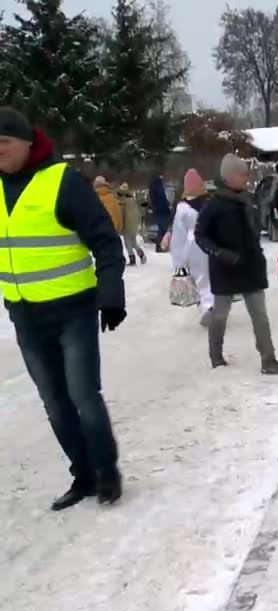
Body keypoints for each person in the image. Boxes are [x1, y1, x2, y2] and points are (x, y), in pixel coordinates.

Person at [0, 107, 126, 509]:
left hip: (73, 310)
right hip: (25, 315)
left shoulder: (61, 181)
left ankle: (106, 473)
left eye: (2, 143)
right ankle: (83, 474)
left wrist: (111, 292)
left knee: (83, 395)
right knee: (54, 403)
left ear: (26, 141)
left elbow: (106, 241)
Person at [196, 153, 278, 375]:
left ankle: (269, 359)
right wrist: (218, 252)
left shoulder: (249, 200)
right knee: (220, 315)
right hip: (225, 268)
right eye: (241, 174)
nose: (246, 177)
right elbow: (201, 235)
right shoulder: (213, 205)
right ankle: (216, 356)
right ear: (229, 177)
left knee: (260, 317)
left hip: (251, 267)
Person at [170, 169, 214, 323]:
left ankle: (208, 307)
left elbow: (179, 235)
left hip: (193, 246)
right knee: (209, 277)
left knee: (198, 279)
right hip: (210, 244)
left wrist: (179, 259)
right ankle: (211, 304)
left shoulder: (183, 208)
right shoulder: (209, 202)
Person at [118, 182, 146, 266]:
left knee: (127, 243)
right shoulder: (133, 199)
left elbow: (122, 214)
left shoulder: (123, 201)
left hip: (127, 225)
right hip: (134, 225)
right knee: (133, 242)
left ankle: (132, 258)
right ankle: (141, 254)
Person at [148, 173, 171, 252]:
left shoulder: (153, 187)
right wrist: (166, 207)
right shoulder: (158, 187)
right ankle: (160, 247)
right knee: (163, 229)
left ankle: (160, 246)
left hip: (158, 211)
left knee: (162, 229)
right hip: (162, 211)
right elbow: (162, 200)